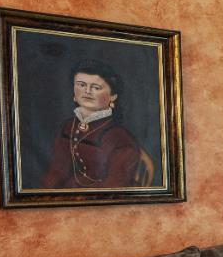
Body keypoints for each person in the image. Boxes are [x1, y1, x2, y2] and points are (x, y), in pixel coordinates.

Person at [40, 59, 145, 188]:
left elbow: (114, 186)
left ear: (113, 96)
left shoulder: (120, 139)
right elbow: (56, 172)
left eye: (96, 87)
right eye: (81, 85)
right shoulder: (69, 126)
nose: (87, 91)